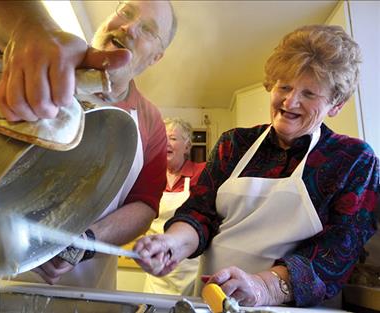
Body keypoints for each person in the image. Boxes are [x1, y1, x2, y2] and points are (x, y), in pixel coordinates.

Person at [0, 0, 177, 290]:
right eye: (125, 12)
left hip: (77, 288)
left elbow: (144, 204)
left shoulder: (150, 121)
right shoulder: (39, 57)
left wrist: (87, 240)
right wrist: (27, 25)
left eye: (148, 29)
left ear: (156, 57)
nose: (129, 27)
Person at [134, 24, 379, 307]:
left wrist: (263, 287)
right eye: (284, 87)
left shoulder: (352, 160)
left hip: (287, 307)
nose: (290, 101)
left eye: (309, 94)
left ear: (336, 104)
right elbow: (200, 213)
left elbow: (338, 251)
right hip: (211, 301)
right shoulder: (235, 143)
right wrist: (172, 245)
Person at [143, 118, 206, 295]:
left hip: (191, 270)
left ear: (187, 147)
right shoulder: (149, 178)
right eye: (161, 138)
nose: (165, 143)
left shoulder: (202, 174)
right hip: (156, 271)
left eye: (172, 138)